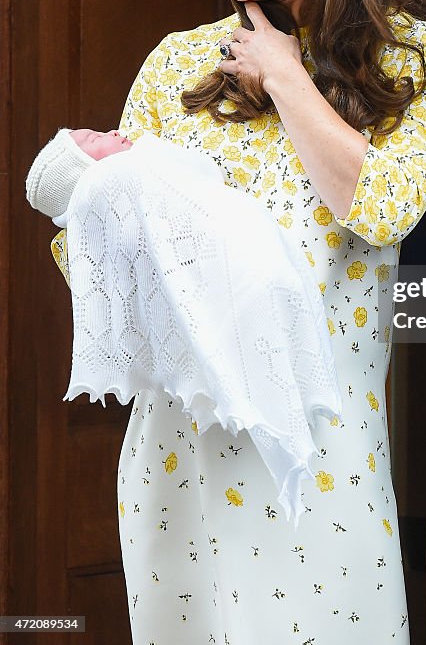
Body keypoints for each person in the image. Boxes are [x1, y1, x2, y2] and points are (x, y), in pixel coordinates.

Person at [41, 0, 426, 644]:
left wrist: (286, 76)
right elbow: (89, 264)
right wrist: (101, 195)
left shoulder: (410, 57)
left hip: (326, 469)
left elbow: (383, 208)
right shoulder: (176, 65)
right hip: (179, 466)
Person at [26, 126, 342, 523]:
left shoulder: (134, 176)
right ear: (85, 172)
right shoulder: (118, 181)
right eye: (92, 141)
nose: (112, 131)